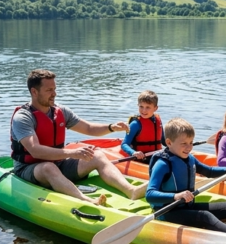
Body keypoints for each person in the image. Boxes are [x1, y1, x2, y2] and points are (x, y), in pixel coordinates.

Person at [10, 69, 147, 207]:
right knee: (48, 167)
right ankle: (86, 201)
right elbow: (35, 151)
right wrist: (73, 153)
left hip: (58, 164)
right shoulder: (23, 118)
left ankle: (131, 191)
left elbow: (88, 128)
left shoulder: (60, 111)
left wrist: (111, 127)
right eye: (49, 90)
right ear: (34, 92)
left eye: (55, 89)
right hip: (29, 169)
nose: (54, 94)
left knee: (97, 155)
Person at [121, 90, 164, 161]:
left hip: (156, 155)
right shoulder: (135, 124)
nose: (144, 110)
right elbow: (124, 144)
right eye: (141, 106)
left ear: (155, 108)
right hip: (141, 158)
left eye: (148, 107)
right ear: (138, 105)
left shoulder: (158, 120)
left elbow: (164, 141)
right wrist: (133, 152)